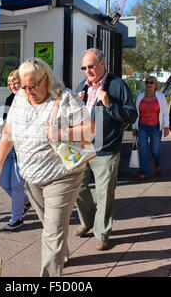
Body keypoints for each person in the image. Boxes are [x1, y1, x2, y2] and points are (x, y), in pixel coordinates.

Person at [0, 57, 94, 277]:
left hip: (63, 175)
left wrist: (61, 133)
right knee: (50, 224)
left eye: (33, 86)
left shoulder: (65, 98)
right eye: (24, 86)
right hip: (31, 175)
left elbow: (90, 129)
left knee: (53, 230)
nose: (28, 91)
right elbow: (9, 131)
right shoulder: (20, 98)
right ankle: (61, 254)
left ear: (46, 78)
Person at [74, 48, 137, 251]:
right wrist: (75, 102)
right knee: (77, 188)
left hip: (106, 148)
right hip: (81, 147)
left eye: (91, 66)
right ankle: (88, 221)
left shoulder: (117, 85)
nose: (87, 71)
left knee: (104, 194)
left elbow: (130, 116)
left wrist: (109, 104)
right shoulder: (81, 86)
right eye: (84, 67)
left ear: (102, 63)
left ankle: (101, 233)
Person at [0, 69, 31, 231]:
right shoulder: (9, 99)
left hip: (22, 148)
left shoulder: (29, 99)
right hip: (8, 146)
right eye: (10, 83)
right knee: (3, 181)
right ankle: (25, 201)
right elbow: (6, 123)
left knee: (16, 184)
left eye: (15, 82)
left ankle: (16, 218)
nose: (12, 86)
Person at [132, 76, 169, 181]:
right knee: (143, 150)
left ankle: (158, 164)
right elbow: (136, 113)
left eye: (151, 83)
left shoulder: (161, 97)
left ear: (155, 85)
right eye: (147, 82)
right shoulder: (140, 97)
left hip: (156, 127)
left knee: (154, 151)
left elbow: (165, 113)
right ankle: (144, 172)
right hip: (142, 126)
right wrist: (134, 127)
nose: (149, 85)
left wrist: (166, 126)